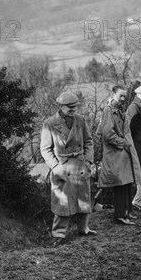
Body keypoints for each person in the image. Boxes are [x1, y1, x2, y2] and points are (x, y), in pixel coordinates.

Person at [40, 92, 95, 244]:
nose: (73, 110)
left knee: (83, 200)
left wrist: (88, 161)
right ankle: (59, 234)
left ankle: (84, 229)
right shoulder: (50, 123)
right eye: (69, 107)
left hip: (80, 165)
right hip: (63, 167)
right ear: (61, 106)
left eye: (75, 107)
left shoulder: (80, 120)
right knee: (62, 203)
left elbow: (89, 141)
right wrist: (56, 167)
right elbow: (45, 149)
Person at [98, 85, 141, 225]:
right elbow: (107, 134)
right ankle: (120, 216)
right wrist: (122, 143)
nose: (123, 99)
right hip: (116, 154)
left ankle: (128, 212)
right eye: (120, 96)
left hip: (123, 153)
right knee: (120, 185)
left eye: (125, 96)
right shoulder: (108, 111)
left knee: (127, 183)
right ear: (113, 94)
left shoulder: (119, 111)